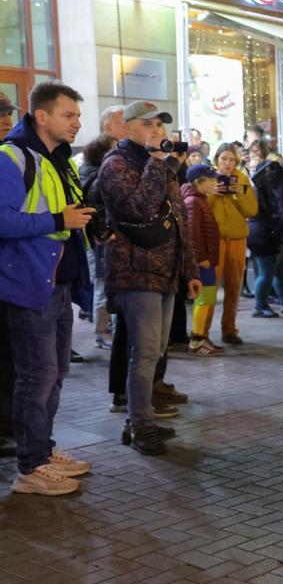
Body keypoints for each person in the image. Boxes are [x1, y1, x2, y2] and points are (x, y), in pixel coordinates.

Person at [0, 81, 95, 495]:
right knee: (36, 377)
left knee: (54, 374)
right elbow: (2, 221)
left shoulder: (58, 158)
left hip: (58, 284)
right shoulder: (11, 158)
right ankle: (30, 467)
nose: (77, 123)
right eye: (68, 115)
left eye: (77, 115)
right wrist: (59, 221)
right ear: (42, 116)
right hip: (30, 285)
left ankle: (42, 448)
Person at [98, 101, 201, 456]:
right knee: (143, 353)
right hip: (135, 273)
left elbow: (178, 222)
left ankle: (139, 421)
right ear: (127, 128)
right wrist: (159, 164)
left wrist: (189, 271)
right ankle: (140, 424)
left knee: (155, 351)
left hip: (166, 272)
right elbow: (139, 208)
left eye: (160, 124)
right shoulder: (117, 165)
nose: (157, 130)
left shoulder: (157, 165)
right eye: (148, 124)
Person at [206, 143, 258, 345]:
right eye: (223, 159)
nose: (227, 164)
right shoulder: (207, 178)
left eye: (231, 160)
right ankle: (202, 331)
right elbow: (197, 207)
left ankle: (229, 329)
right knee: (209, 286)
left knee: (234, 286)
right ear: (216, 159)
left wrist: (238, 193)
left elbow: (251, 211)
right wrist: (212, 193)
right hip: (214, 241)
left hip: (237, 239)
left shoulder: (242, 179)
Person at [248, 155, 283, 318]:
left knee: (279, 273)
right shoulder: (262, 190)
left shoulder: (265, 187)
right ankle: (259, 306)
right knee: (266, 273)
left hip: (269, 235)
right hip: (263, 236)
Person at [78, 133, 117, 347]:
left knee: (104, 286)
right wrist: (105, 233)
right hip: (103, 241)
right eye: (113, 148)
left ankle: (104, 330)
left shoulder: (88, 173)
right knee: (103, 286)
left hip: (98, 240)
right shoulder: (99, 176)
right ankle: (102, 332)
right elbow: (98, 209)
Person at [181, 164, 223, 356]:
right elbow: (192, 234)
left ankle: (201, 337)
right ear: (199, 181)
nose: (215, 182)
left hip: (207, 260)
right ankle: (197, 340)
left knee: (207, 298)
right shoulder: (193, 201)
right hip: (202, 262)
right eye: (211, 179)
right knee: (202, 299)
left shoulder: (200, 199)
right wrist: (201, 258)